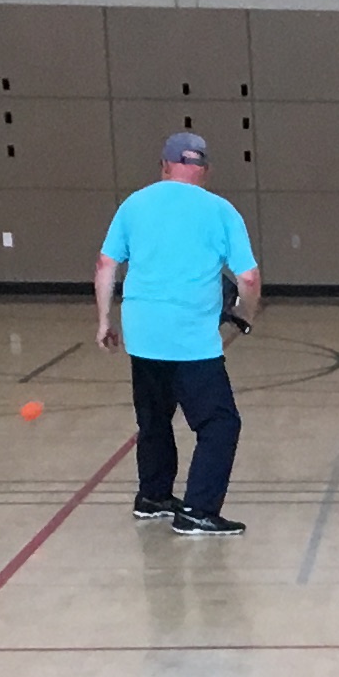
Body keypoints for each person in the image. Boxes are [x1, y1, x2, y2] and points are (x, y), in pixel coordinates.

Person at [95, 133, 262, 533]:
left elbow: (105, 265)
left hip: (143, 333)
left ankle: (153, 496)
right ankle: (199, 510)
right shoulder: (221, 211)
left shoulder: (134, 204)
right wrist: (242, 318)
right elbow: (249, 279)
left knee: (154, 418)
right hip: (191, 338)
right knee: (220, 422)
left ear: (164, 165)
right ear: (204, 170)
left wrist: (104, 320)